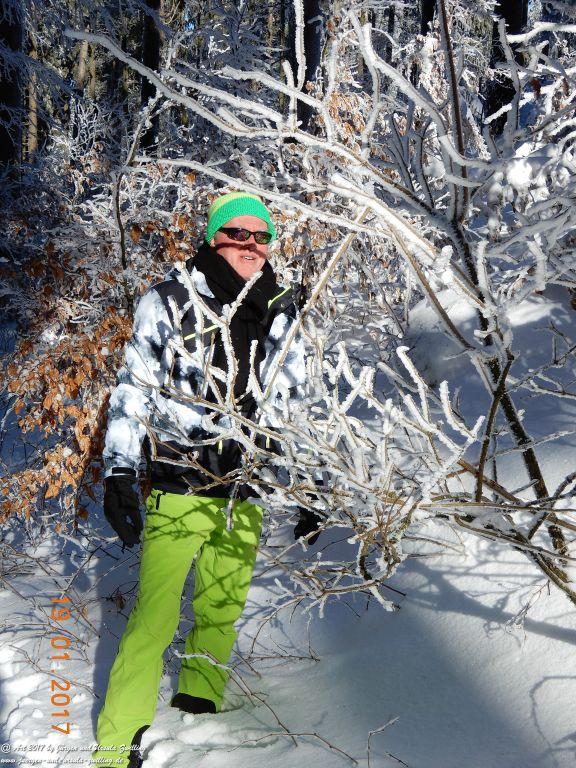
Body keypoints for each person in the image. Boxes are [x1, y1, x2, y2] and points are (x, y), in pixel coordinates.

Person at [91, 192, 321, 768]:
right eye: (238, 233)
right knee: (154, 617)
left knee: (222, 605)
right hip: (183, 483)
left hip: (246, 486)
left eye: (261, 236)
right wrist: (120, 471)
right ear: (215, 236)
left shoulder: (281, 305)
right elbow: (133, 388)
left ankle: (199, 709)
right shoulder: (170, 300)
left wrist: (307, 482)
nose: (251, 245)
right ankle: (116, 746)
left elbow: (294, 399)